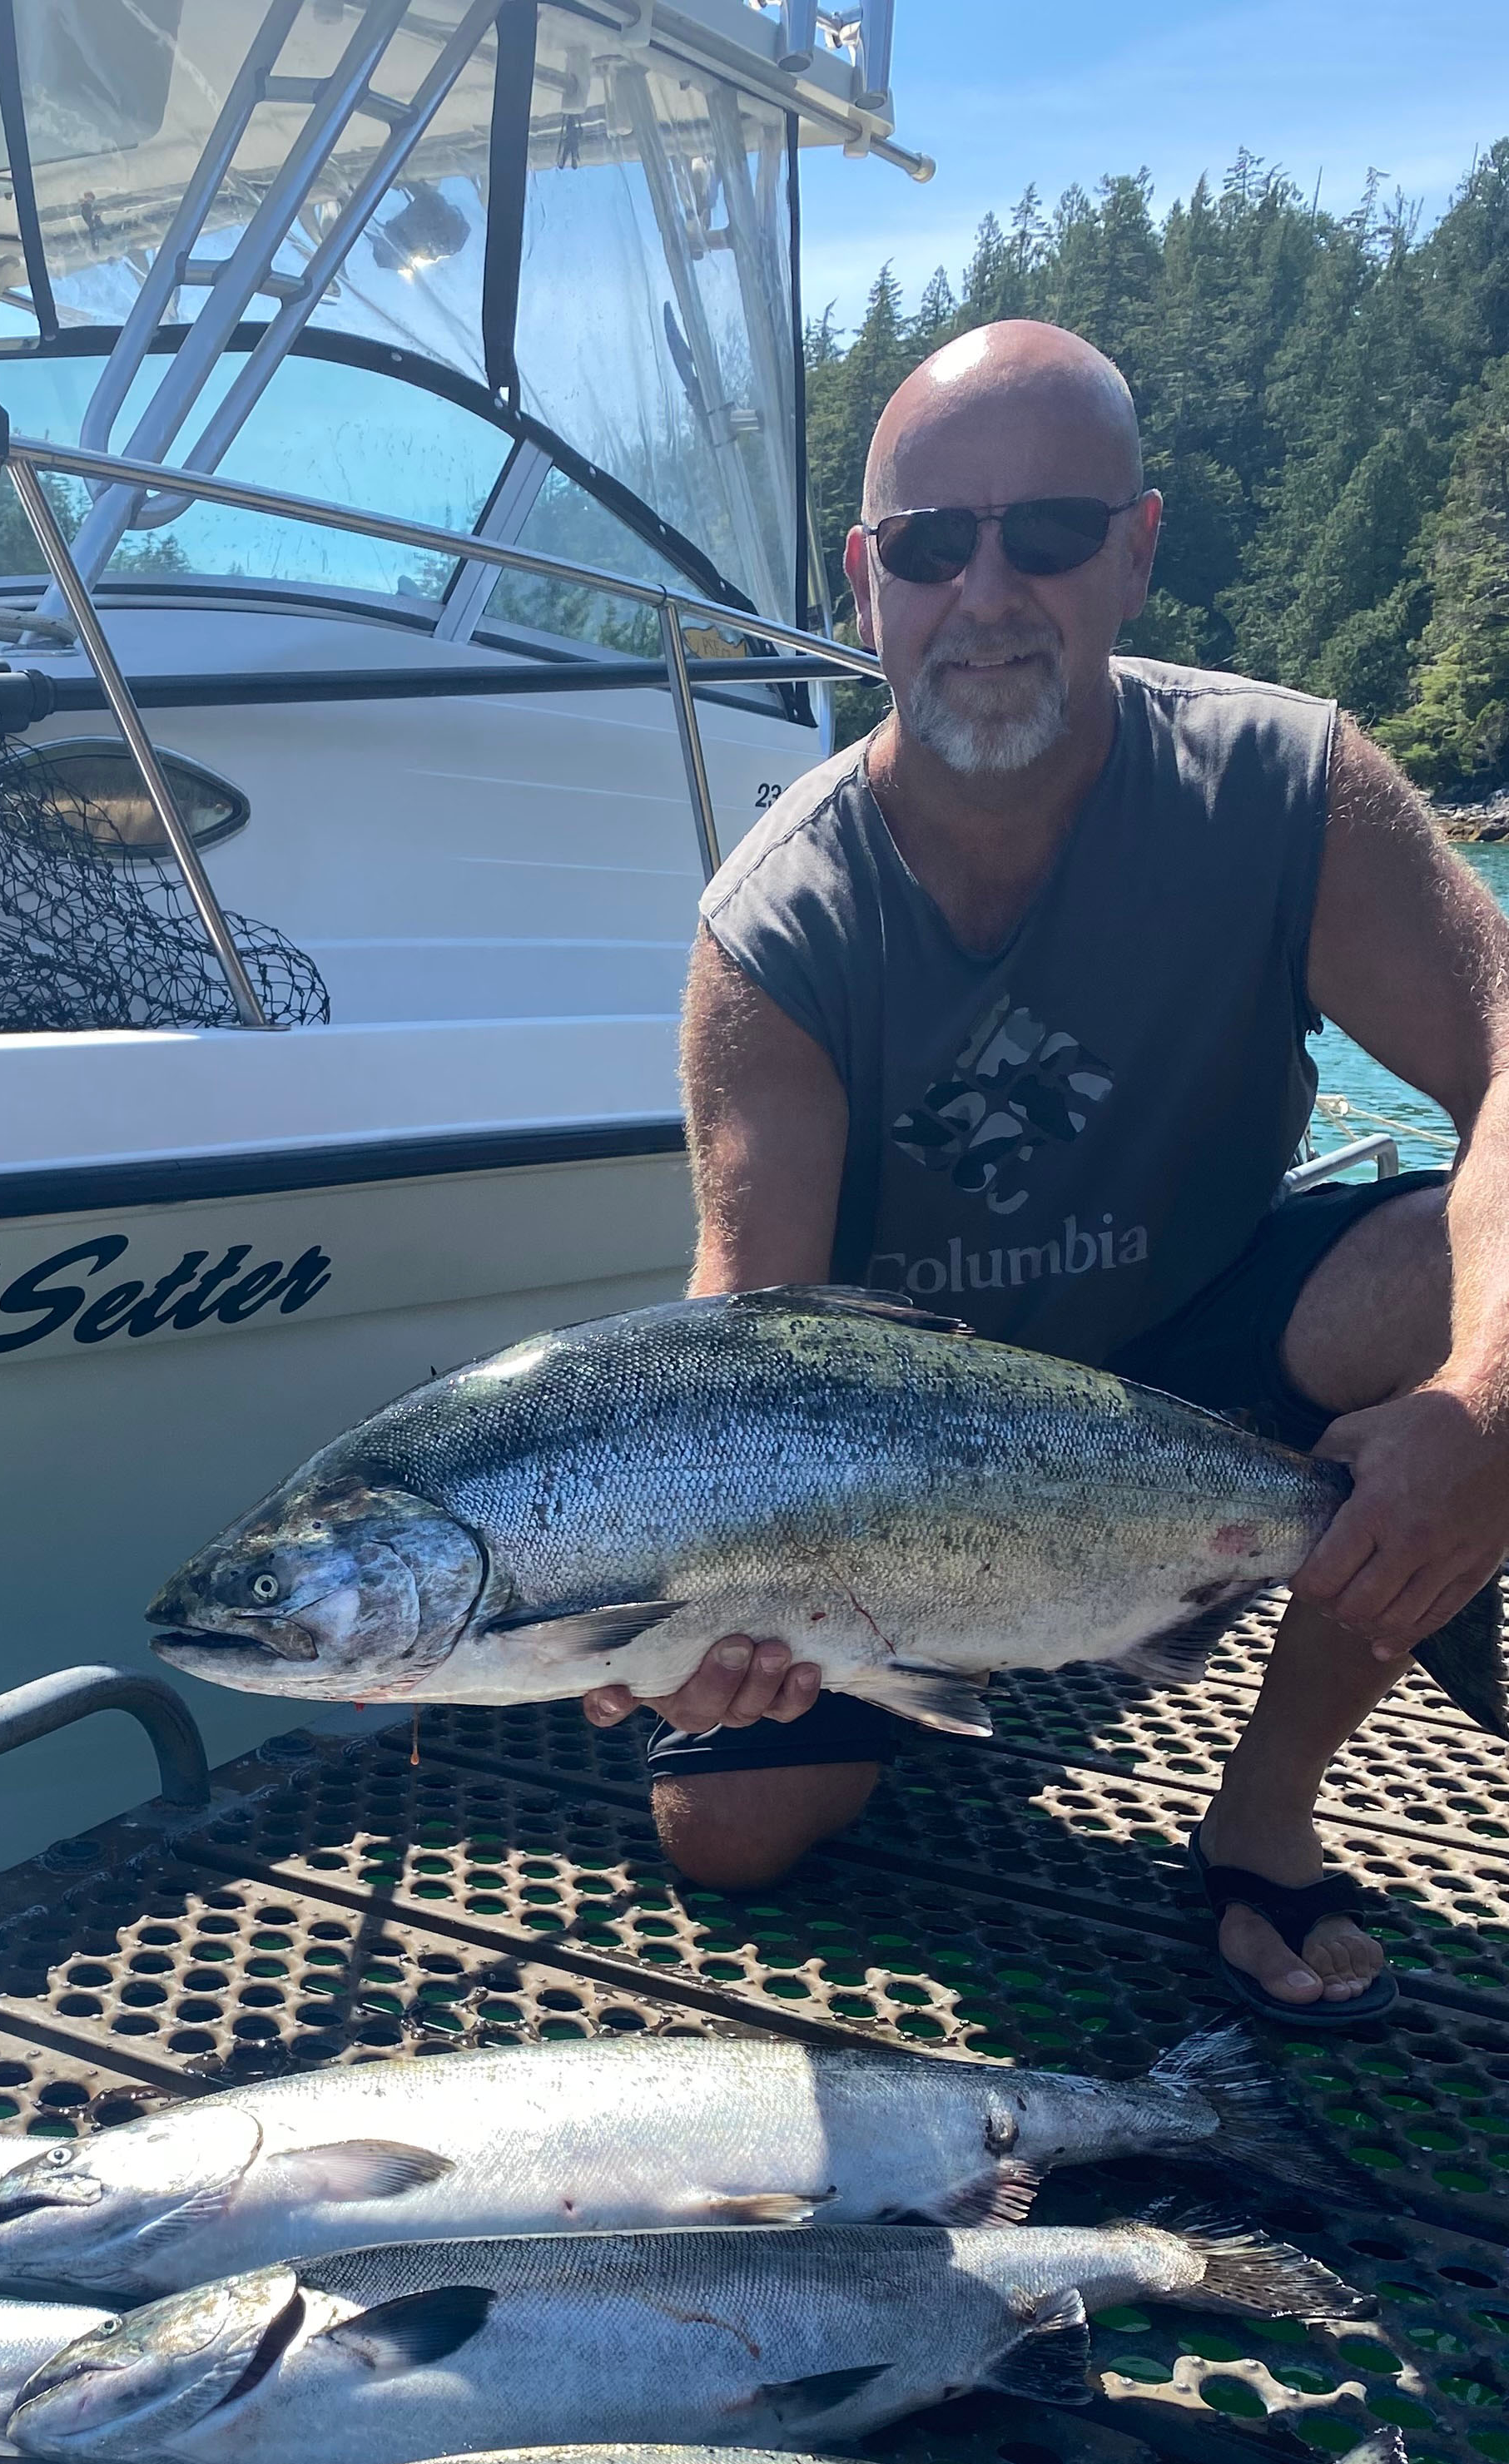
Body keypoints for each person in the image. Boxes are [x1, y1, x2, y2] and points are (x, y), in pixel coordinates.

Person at [584, 318, 1509, 2030]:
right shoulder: (776, 928)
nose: (987, 593)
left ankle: (1266, 1805)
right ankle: (1017, 1642)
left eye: (1052, 534)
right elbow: (754, 1328)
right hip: (894, 1450)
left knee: (1479, 1296)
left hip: (1213, 1350)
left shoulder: (1289, 790)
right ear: (867, 580)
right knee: (728, 1830)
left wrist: (1489, 1397)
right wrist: (710, 1594)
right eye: (934, 546)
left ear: (1138, 551)